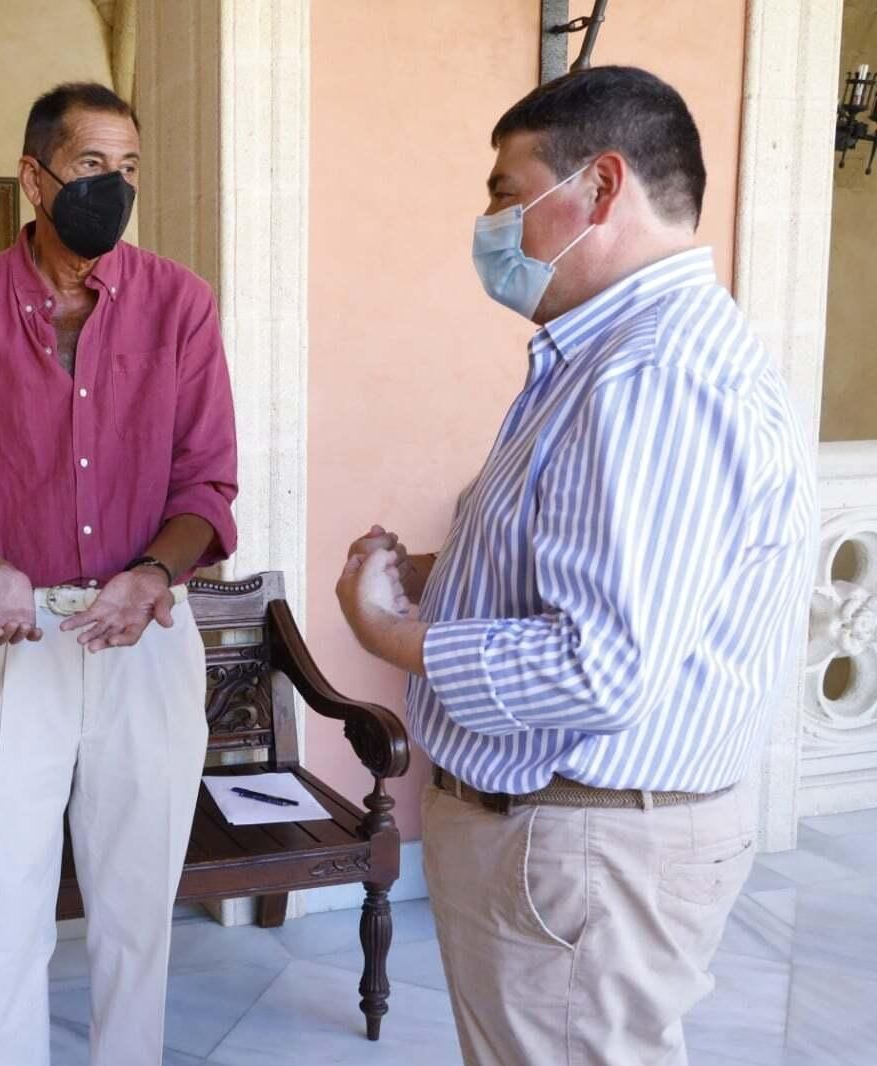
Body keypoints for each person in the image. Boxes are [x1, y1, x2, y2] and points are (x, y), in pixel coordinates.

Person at [334, 67, 815, 1065]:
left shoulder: (651, 374)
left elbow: (599, 663)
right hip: (569, 842)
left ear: (599, 187)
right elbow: (592, 567)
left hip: (581, 846)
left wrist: (393, 637)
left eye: (506, 194)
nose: (489, 223)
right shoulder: (609, 354)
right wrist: (440, 569)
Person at [0, 82, 238, 1066]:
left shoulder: (180, 304)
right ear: (34, 177)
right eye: (91, 167)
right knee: (5, 908)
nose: (112, 189)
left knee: (134, 913)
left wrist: (154, 575)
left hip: (144, 640)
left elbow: (207, 485)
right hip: (9, 640)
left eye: (128, 171)